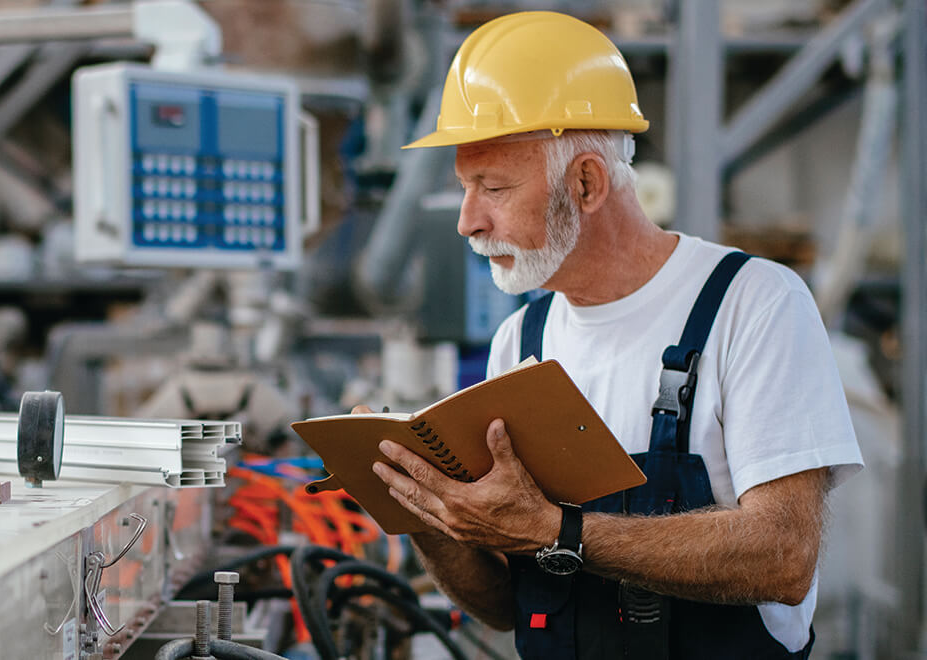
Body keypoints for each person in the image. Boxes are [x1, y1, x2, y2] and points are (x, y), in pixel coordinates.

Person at [364, 11, 865, 659]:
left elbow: (784, 557)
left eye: (492, 188)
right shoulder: (523, 340)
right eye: (465, 188)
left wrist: (556, 530)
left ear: (587, 183)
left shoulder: (752, 305)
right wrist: (426, 510)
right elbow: (504, 605)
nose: (468, 222)